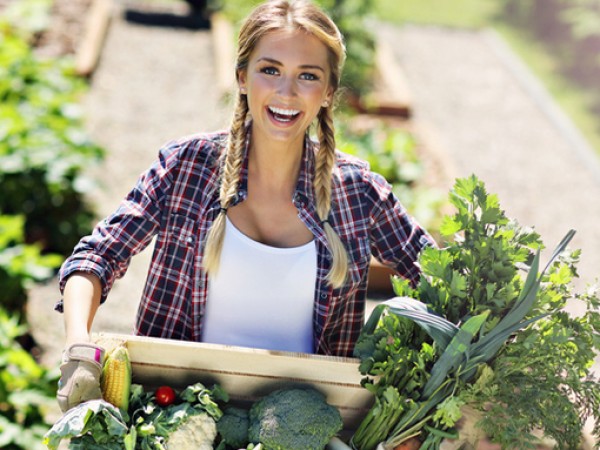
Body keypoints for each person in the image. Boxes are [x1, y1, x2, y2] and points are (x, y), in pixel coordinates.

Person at [55, 0, 435, 412]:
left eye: (307, 76)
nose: (286, 92)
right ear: (242, 77)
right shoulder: (189, 166)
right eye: (269, 70)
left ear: (327, 93)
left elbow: (442, 282)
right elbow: (96, 257)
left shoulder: (358, 193)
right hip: (177, 419)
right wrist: (79, 345)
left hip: (305, 431)